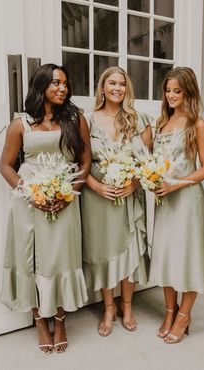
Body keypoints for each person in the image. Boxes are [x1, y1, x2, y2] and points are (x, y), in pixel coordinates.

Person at [0, 63, 91, 353]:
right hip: (29, 201)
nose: (62, 88)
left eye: (65, 83)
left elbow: (86, 161)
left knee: (60, 258)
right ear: (40, 86)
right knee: (32, 258)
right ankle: (40, 321)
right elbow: (5, 166)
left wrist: (70, 193)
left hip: (65, 198)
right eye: (55, 83)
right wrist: (32, 194)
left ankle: (61, 319)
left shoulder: (75, 119)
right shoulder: (20, 124)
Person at [81, 66, 152, 336]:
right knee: (103, 251)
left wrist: (133, 183)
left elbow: (148, 163)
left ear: (127, 88)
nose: (117, 88)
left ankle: (128, 306)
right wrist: (97, 186)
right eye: (112, 83)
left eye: (122, 84)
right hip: (98, 197)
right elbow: (79, 163)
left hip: (128, 197)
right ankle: (109, 307)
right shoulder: (87, 120)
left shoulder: (138, 119)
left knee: (130, 249)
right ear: (102, 87)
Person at [149, 66, 204, 344]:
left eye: (177, 90)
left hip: (187, 200)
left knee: (189, 257)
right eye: (167, 90)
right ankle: (169, 310)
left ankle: (184, 315)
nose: (171, 95)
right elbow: (150, 159)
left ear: (188, 91)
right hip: (164, 200)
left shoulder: (197, 124)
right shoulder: (161, 122)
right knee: (164, 255)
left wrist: (178, 183)